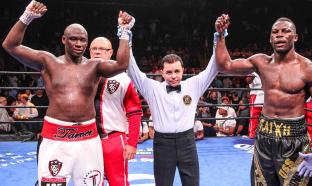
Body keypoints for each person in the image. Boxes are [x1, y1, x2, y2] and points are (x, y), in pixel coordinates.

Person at [2, 1, 134, 185]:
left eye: (83, 40)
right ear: (64, 40)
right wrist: (27, 17)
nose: (79, 43)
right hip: (55, 137)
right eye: (73, 39)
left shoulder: (94, 66)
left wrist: (125, 32)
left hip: (88, 139)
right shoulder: (48, 62)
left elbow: (121, 64)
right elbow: (10, 45)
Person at [215, 14, 312, 185]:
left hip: (294, 140)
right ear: (270, 39)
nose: (280, 35)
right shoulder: (261, 62)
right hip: (264, 137)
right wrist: (220, 35)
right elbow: (226, 65)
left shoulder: (309, 69)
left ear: (296, 37)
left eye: (286, 31)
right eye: (275, 32)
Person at [127, 18, 225, 186]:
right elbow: (131, 68)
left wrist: (220, 36)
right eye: (169, 72)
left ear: (183, 70)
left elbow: (214, 67)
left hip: (187, 142)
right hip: (162, 144)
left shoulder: (193, 85)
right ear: (162, 73)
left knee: (192, 183)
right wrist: (125, 35)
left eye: (177, 71)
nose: (173, 76)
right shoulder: (152, 88)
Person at [90, 36, 142, 186]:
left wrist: (132, 143)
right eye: (94, 49)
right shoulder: (81, 73)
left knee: (118, 182)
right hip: (87, 140)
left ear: (111, 52)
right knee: (89, 180)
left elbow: (134, 112)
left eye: (102, 49)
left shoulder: (123, 78)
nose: (98, 52)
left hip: (112, 139)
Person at [245, 72, 264, 139]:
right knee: (254, 114)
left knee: (267, 115)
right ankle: (252, 133)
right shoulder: (252, 66)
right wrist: (252, 75)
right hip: (256, 92)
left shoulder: (268, 64)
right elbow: (248, 81)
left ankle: (264, 133)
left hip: (267, 92)